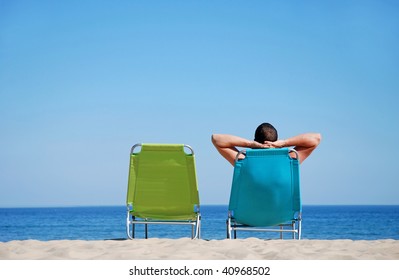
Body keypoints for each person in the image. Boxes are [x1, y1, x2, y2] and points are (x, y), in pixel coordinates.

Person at [211, 122, 321, 166]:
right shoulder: (290, 160)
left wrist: (250, 144)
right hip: (282, 215)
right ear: (276, 141)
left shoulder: (244, 162)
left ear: (255, 140)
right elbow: (316, 138)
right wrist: (284, 143)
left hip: (248, 215)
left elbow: (216, 139)